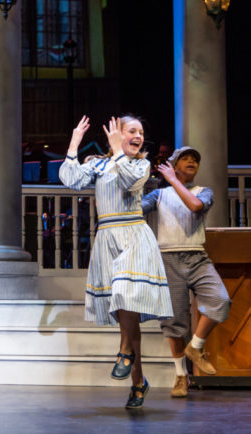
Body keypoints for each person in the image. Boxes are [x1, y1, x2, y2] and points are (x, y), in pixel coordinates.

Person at [59, 115, 173, 409]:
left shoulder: (140, 165)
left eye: (141, 132)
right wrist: (74, 142)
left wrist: (119, 151)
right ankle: (138, 380)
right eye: (132, 130)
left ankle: (124, 351)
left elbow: (131, 182)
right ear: (117, 133)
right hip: (108, 237)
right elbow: (71, 181)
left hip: (133, 234)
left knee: (124, 292)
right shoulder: (97, 163)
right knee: (126, 312)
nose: (138, 136)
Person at [142, 146, 231, 398]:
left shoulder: (204, 192)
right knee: (174, 323)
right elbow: (135, 210)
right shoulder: (159, 194)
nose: (192, 162)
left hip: (196, 257)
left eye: (195, 160)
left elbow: (194, 206)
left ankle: (196, 346)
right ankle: (181, 375)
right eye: (186, 158)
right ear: (173, 164)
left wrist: (172, 180)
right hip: (168, 259)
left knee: (220, 300)